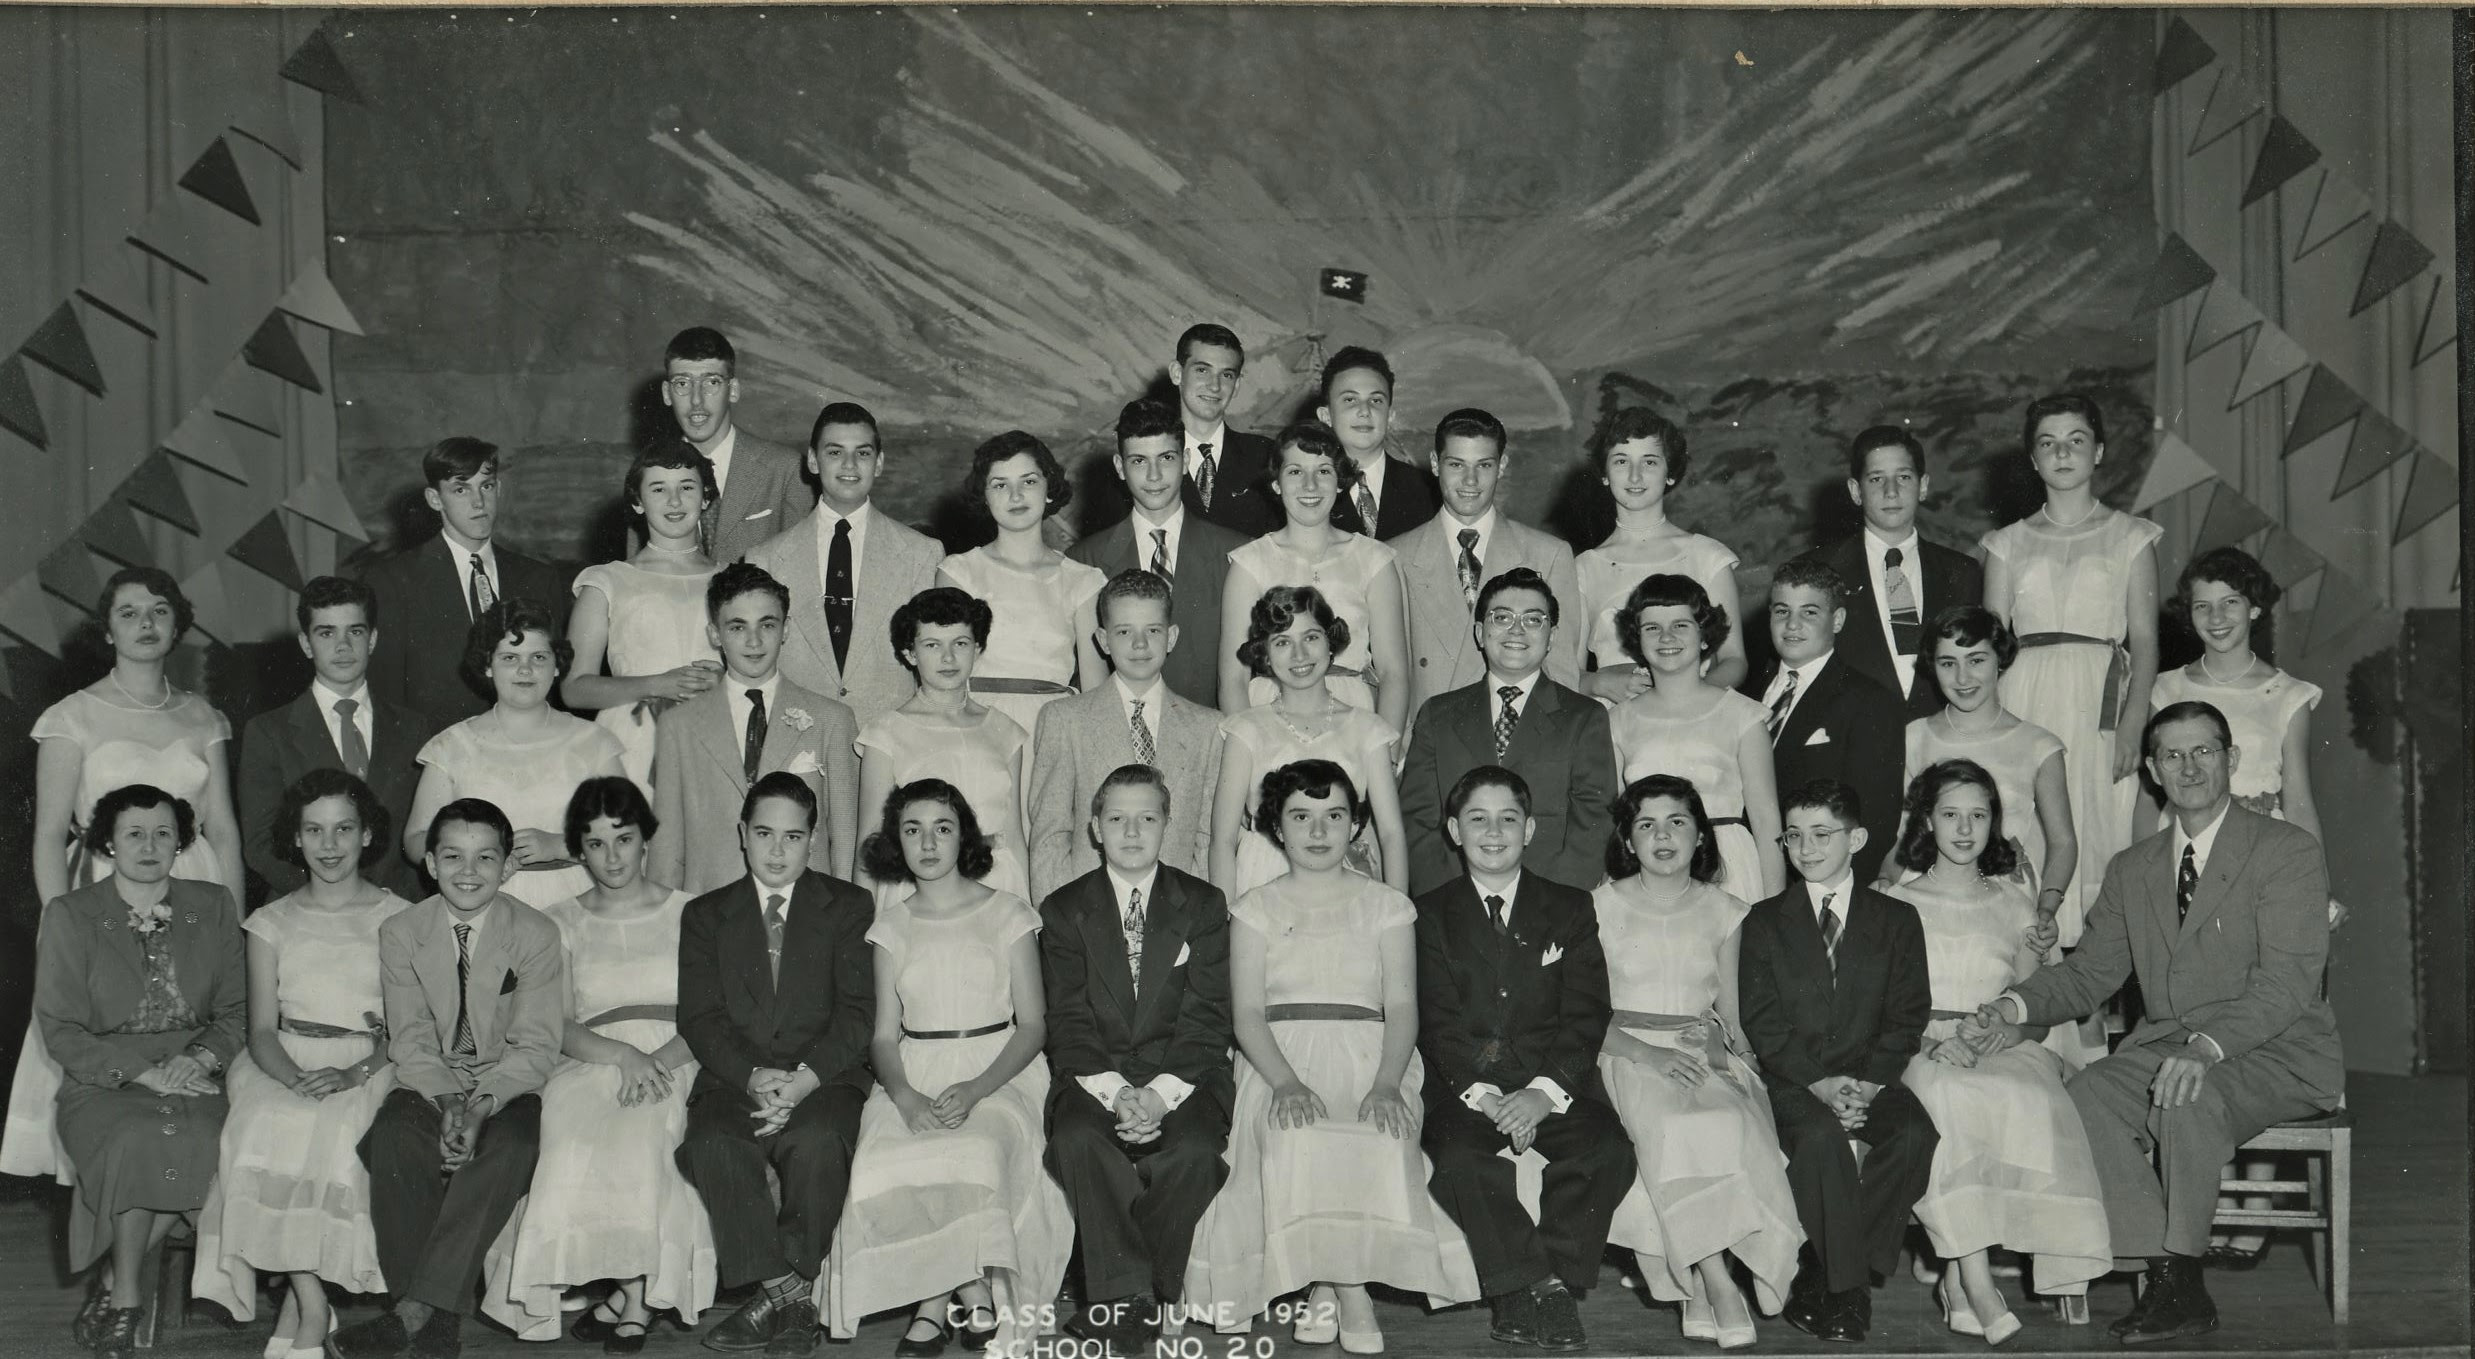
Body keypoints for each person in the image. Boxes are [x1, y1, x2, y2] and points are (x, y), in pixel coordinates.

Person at [1979, 702, 2341, 1346]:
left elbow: (2286, 984)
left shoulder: (2286, 850)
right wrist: (2015, 1004)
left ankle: (2178, 1279)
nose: (2190, 766)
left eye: (2204, 750)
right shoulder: (2133, 868)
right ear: (2151, 770)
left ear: (2231, 759)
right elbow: (2090, 973)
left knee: (2184, 1099)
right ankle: (2169, 1271)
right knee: (2087, 1095)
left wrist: (2205, 1047)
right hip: (2171, 1043)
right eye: (2172, 755)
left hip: (2278, 1049)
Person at [1185, 760, 1481, 1351]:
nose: (1318, 831)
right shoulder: (1254, 908)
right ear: (1277, 827)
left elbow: (1400, 1007)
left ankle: (1327, 1284)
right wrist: (1286, 1082)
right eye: (1301, 817)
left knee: (1381, 1134)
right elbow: (1246, 1015)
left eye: (1334, 816)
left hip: (1373, 1053)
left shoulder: (1388, 905)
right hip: (1280, 1055)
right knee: (1298, 1134)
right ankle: (1352, 1293)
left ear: (1355, 827)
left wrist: (1388, 1082)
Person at [5, 568, 244, 1184]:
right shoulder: (72, 717)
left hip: (193, 890)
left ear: (176, 626)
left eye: (159, 610)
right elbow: (49, 835)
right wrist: (64, 927)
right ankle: (114, 1230)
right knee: (114, 1044)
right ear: (106, 630)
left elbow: (222, 830)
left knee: (193, 1049)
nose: (145, 623)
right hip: (102, 891)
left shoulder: (202, 717)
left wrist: (235, 927)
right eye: (129, 612)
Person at [825, 780, 1074, 1355]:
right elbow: (884, 1036)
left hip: (999, 1069)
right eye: (912, 830)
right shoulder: (890, 926)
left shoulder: (1009, 913)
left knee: (974, 1148)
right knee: (883, 1155)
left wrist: (979, 1087)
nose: (928, 843)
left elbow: (1034, 1026)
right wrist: (905, 1096)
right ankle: (966, 1288)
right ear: (897, 842)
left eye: (943, 828)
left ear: (964, 837)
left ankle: (933, 1306)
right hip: (914, 1069)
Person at [1884, 760, 2109, 1343]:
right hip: (1920, 1046)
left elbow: (2036, 1010)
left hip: (1999, 1043)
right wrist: (1933, 1044)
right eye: (1950, 814)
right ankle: (1978, 1281)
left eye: (1978, 815)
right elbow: (1879, 1009)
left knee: (2026, 1092)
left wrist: (2009, 1034)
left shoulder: (2016, 902)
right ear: (1926, 822)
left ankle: (1957, 1281)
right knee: (1948, 1095)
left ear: (1994, 824)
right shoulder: (1893, 901)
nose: (1964, 828)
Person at [332, 798, 565, 1359]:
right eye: (453, 856)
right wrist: (446, 1102)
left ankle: (413, 1311)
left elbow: (536, 1045)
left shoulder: (536, 933)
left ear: (508, 867)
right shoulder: (402, 932)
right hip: (427, 1079)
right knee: (392, 1139)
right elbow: (408, 1038)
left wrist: (478, 1108)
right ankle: (438, 1325)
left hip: (504, 1085)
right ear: (430, 864)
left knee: (510, 1148)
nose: (468, 871)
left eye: (486, 858)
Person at [486, 778, 714, 1349]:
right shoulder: (561, 920)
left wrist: (655, 1061)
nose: (612, 857)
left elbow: (710, 1017)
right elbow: (556, 1023)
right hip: (593, 1056)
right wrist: (620, 1056)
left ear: (646, 841)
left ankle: (635, 1298)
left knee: (640, 1135)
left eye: (624, 839)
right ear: (578, 850)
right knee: (572, 1142)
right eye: (595, 844)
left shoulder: (693, 913)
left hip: (675, 1053)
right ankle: (616, 1291)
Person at [2150, 546, 2330, 1266]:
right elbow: (2153, 801)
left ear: (2254, 607)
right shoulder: (2164, 687)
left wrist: (2319, 892)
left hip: (2265, 871)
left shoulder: (2286, 694)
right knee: (2189, 1015)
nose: (2215, 617)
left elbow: (2300, 800)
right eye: (2201, 604)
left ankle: (2252, 1200)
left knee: (2259, 1025)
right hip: (2188, 864)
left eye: (2229, 602)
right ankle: (2195, 1200)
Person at [1416, 767, 1633, 1354]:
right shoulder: (1429, 913)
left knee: (1607, 1151)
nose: (1493, 832)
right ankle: (1538, 1286)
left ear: (1530, 828)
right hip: (1468, 1088)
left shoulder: (1568, 906)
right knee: (1461, 1161)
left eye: (1508, 818)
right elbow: (1435, 1020)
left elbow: (1588, 1011)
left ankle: (1543, 1279)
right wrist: (1482, 1094)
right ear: (1454, 831)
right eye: (1477, 819)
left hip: (1552, 1082)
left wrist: (1543, 1092)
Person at [194, 771, 408, 1355]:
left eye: (344, 829)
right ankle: (314, 1305)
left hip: (369, 1061)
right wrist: (293, 1080)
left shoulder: (400, 916)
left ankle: (297, 1304)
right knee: (265, 1129)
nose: (330, 844)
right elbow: (261, 1030)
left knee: (339, 1137)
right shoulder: (270, 921)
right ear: (295, 838)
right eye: (314, 830)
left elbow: (408, 1027)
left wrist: (353, 1074)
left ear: (367, 835)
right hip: (284, 1059)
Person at [35, 785, 246, 1359]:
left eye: (163, 832)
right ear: (107, 841)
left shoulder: (215, 903)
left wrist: (196, 1059)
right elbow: (60, 1029)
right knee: (137, 1136)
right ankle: (128, 1294)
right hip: (105, 1079)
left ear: (181, 841)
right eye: (134, 833)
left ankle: (115, 1289)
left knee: (210, 1137)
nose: (149, 845)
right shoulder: (71, 914)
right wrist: (147, 1075)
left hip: (201, 1068)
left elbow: (237, 1011)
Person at [1592, 775, 1802, 1351]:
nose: (1663, 836)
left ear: (1701, 836)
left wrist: (1735, 1056)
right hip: (1624, 1051)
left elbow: (1730, 1013)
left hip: (1697, 1048)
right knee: (1676, 1127)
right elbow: (1584, 1014)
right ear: (1628, 840)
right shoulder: (1600, 905)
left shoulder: (1727, 910)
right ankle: (1716, 1281)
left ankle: (1708, 1289)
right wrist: (1647, 1054)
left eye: (1678, 822)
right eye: (1647, 824)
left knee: (1730, 1120)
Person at [673, 773, 876, 1357]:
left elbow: (859, 1013)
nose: (778, 850)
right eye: (764, 833)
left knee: (816, 1143)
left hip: (824, 1077)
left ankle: (774, 1300)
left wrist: (806, 1079)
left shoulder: (848, 906)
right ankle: (792, 1296)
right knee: (714, 1144)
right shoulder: (705, 915)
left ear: (812, 839)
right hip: (736, 1077)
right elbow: (700, 1018)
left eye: (793, 836)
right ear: (742, 834)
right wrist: (752, 1077)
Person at [1038, 766, 1234, 1351]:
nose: (1131, 831)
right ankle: (1138, 1297)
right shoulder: (1063, 908)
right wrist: (1119, 1093)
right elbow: (1068, 1020)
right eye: (1117, 818)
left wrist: (1157, 1094)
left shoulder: (1201, 903)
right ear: (1095, 828)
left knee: (1195, 1149)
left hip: (1185, 1075)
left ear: (1166, 825)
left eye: (1147, 818)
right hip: (1096, 1077)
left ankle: (1127, 1294)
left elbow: (1207, 1017)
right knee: (1077, 1140)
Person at [1737, 779, 1936, 1345]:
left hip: (1870, 1078)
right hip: (1795, 1082)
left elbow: (1906, 1015)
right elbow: (1764, 1022)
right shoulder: (1765, 920)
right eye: (1794, 836)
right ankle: (1849, 1291)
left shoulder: (1896, 919)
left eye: (1822, 834)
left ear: (1857, 838)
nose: (1806, 848)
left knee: (1914, 1135)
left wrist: (1870, 1087)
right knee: (1822, 1140)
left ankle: (1825, 1268)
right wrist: (1820, 1084)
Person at [1979, 393, 2161, 952]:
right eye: (2047, 443)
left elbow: (2147, 640)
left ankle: (2096, 991)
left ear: (2099, 451)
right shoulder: (2006, 543)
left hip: (2098, 699)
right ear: (2033, 459)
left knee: (2100, 817)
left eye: (2076, 440)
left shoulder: (2132, 536)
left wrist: (2134, 720)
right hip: (2025, 693)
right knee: (2026, 819)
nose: (2062, 454)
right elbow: (1988, 644)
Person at [1397, 568, 1613, 897]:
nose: (1516, 630)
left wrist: (1555, 904)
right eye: (1502, 617)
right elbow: (1417, 820)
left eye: (1532, 619)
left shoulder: (1584, 718)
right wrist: (1449, 902)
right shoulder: (1438, 714)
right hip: (1453, 904)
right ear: (1481, 633)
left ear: (1552, 637)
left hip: (1550, 904)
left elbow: (1593, 824)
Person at [402, 600, 628, 908]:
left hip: (578, 903)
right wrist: (472, 853)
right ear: (487, 664)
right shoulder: (452, 746)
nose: (525, 669)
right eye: (509, 657)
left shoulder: (595, 742)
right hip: (480, 902)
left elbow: (628, 833)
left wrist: (561, 845)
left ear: (558, 665)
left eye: (538, 657)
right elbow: (416, 837)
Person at [650, 563, 861, 890]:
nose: (753, 641)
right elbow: (666, 847)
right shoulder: (678, 725)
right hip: (711, 911)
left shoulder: (831, 719)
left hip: (806, 912)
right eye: (737, 627)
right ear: (714, 634)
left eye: (767, 625)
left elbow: (845, 838)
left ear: (786, 630)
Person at [347, 436, 567, 734]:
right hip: (434, 755)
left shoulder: (539, 578)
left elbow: (553, 687)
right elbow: (386, 697)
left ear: (498, 489)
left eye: (486, 486)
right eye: (461, 489)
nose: (479, 502)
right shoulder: (393, 580)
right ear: (434, 499)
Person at [745, 403, 943, 729]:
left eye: (863, 454)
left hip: (891, 744)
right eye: (835, 452)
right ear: (812, 460)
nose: (849, 464)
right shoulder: (764, 559)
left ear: (878, 463)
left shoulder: (922, 554)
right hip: (797, 742)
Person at [1027, 570, 1222, 901]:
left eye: (1153, 630)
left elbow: (1208, 837)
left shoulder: (1208, 728)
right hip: (1089, 911)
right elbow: (1050, 834)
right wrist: (1060, 920)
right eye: (1124, 631)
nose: (1140, 644)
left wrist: (1197, 914)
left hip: (1177, 909)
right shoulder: (1065, 719)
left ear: (1172, 637)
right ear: (1103, 640)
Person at [240, 576, 438, 902]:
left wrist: (385, 900)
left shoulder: (413, 729)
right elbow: (260, 844)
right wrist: (338, 895)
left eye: (355, 632)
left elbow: (422, 832)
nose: (343, 646)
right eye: (327, 632)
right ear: (306, 643)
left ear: (372, 639)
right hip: (306, 910)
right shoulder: (268, 731)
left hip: (398, 908)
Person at [1208, 586, 1407, 900]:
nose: (1299, 655)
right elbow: (1222, 839)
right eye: (1283, 642)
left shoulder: (1369, 729)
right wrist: (1224, 923)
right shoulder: (1245, 729)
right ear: (1265, 654)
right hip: (1262, 881)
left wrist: (1397, 913)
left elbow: (1392, 834)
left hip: (1346, 882)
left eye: (1311, 638)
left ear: (1330, 643)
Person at [1219, 421, 1412, 731]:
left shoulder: (1374, 560)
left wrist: (1385, 753)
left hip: (1354, 719)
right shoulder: (1249, 563)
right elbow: (1233, 678)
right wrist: (1250, 752)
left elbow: (1394, 673)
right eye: (1295, 472)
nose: (1310, 485)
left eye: (1323, 471)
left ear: (1340, 482)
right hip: (1271, 717)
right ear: (1276, 484)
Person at [1391, 409, 1583, 717]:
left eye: (1484, 465)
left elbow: (1562, 676)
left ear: (1502, 466)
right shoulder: (1395, 557)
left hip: (1520, 741)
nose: (1470, 480)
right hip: (1432, 746)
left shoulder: (1549, 555)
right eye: (1456, 464)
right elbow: (1390, 678)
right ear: (1434, 464)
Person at [1605, 574, 1784, 901]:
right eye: (1652, 628)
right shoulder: (1618, 720)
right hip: (1649, 869)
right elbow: (1615, 822)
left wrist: (1776, 908)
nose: (1666, 637)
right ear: (1638, 639)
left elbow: (1766, 820)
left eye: (1681, 625)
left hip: (1728, 871)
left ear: (1704, 637)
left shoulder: (1743, 716)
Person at [1899, 607, 2077, 934]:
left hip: (2006, 900)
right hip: (1926, 896)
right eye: (1948, 663)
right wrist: (1885, 885)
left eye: (1976, 660)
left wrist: (2047, 907)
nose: (1962, 678)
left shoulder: (2038, 744)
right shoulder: (1913, 737)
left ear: (2000, 659)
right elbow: (1899, 835)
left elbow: (2063, 841)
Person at [1066, 399, 1250, 707]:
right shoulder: (1083, 561)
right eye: (1138, 461)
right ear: (1119, 467)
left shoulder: (1238, 554)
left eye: (1166, 458)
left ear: (1187, 460)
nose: (1154, 475)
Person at [563, 438, 724, 786]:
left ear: (706, 497)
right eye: (658, 489)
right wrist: (657, 684)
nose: (675, 501)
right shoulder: (607, 581)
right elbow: (574, 688)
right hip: (632, 741)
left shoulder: (732, 579)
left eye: (686, 487)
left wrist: (727, 682)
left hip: (715, 735)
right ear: (638, 502)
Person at [855, 588, 1032, 904]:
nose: (948, 658)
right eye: (932, 645)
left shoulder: (1005, 731)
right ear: (910, 654)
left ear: (977, 649)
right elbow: (869, 843)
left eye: (960, 644)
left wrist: (1029, 916)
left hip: (995, 883)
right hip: (915, 887)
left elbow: (1015, 835)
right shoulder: (884, 734)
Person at [1799, 425, 1984, 719]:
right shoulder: (1815, 571)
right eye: (1876, 479)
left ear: (1923, 486)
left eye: (1903, 477)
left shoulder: (1962, 572)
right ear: (1855, 491)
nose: (1891, 491)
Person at [936, 430, 1108, 739]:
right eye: (1000, 485)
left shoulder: (1083, 581)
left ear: (1049, 489)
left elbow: (1095, 694)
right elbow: (941, 673)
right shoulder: (959, 573)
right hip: (975, 729)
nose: (1016, 496)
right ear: (985, 497)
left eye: (1028, 481)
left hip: (1052, 732)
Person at [1746, 559, 1904, 885]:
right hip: (1740, 869)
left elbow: (1874, 815)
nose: (1792, 625)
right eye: (1781, 611)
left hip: (1811, 883)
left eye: (1809, 612)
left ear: (1838, 620)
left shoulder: (1868, 700)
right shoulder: (1746, 693)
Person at [1574, 408, 1749, 696]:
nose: (1634, 476)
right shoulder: (1583, 568)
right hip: (1614, 728)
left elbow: (1734, 661)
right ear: (1604, 474)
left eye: (1650, 462)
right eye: (1621, 461)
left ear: (1671, 473)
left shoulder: (1708, 557)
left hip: (1695, 721)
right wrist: (1601, 683)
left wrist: (1684, 697)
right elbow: (1568, 674)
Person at [660, 326, 813, 564]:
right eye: (682, 383)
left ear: (733, 390)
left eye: (711, 382)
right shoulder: (649, 475)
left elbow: (801, 570)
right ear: (667, 393)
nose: (696, 400)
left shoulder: (787, 470)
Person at [1163, 322, 1281, 537]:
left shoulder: (1266, 455)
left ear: (1236, 385)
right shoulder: (1147, 457)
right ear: (1177, 373)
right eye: (1202, 370)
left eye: (1226, 375)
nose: (1215, 386)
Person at [1317, 346, 1440, 540]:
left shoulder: (1429, 490)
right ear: (1326, 416)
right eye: (1350, 399)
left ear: (1390, 416)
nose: (1365, 411)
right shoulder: (1306, 487)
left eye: (1376, 400)